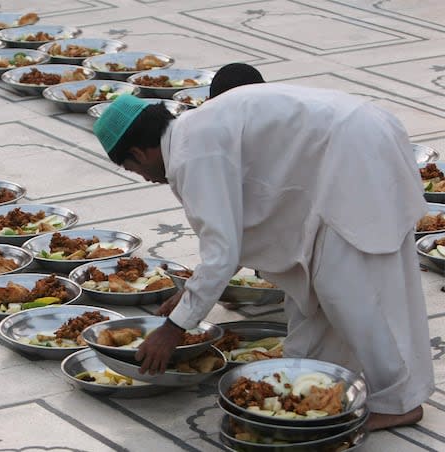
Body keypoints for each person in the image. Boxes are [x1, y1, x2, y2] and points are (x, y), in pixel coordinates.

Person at [92, 87, 434, 431]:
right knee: (320, 290)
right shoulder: (196, 133)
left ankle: (397, 402)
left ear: (139, 152)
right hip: (352, 144)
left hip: (353, 154)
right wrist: (189, 296)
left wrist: (175, 328)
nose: (148, 179)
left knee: (353, 291)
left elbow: (222, 250)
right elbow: (237, 230)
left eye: (136, 170)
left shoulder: (191, 155)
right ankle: (314, 382)